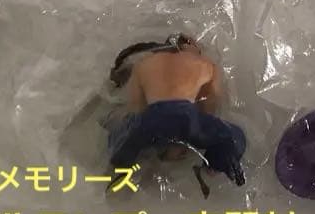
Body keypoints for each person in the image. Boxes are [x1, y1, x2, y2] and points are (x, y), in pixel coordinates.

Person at [105, 34, 245, 197]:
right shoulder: (206, 64)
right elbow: (211, 106)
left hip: (152, 118)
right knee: (235, 138)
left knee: (119, 140)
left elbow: (136, 109)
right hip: (187, 117)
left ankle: (121, 172)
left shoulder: (143, 64)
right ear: (191, 45)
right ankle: (211, 169)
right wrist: (189, 137)